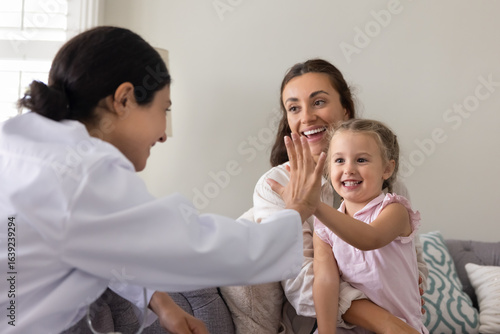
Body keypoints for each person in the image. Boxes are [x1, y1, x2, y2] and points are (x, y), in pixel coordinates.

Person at [0, 26, 325, 334]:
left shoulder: (25, 146)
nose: (163, 135)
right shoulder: (84, 173)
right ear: (124, 99)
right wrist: (295, 211)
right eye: (164, 109)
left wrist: (162, 303)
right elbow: (197, 246)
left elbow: (103, 244)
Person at [255, 59, 428, 333]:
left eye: (319, 102)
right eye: (294, 108)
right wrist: (382, 319)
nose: (307, 117)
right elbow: (305, 283)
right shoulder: (276, 186)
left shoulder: (391, 196)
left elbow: (412, 265)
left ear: (345, 108)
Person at [309, 119, 428, 333]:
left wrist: (314, 205)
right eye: (339, 160)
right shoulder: (324, 228)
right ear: (328, 168)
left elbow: (369, 238)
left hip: (400, 327)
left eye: (361, 160)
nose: (349, 169)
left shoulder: (394, 210)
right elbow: (326, 281)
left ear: (386, 169)